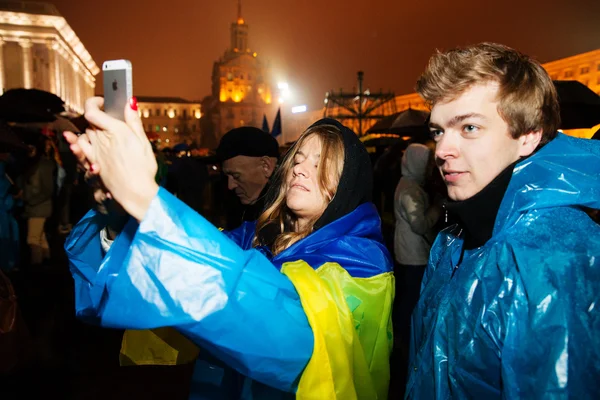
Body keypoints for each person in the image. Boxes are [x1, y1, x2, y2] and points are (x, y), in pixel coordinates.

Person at [63, 98, 394, 400]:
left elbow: (286, 336)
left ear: (348, 182)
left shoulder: (361, 261)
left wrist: (146, 200)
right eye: (299, 157)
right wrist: (116, 212)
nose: (299, 168)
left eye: (322, 162)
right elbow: (169, 264)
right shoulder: (259, 235)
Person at [405, 42, 600, 398]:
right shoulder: (451, 241)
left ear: (528, 136)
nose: (443, 150)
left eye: (469, 128)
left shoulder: (553, 259)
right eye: (437, 131)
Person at [391, 144, 440, 365]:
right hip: (414, 254)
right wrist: (438, 209)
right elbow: (419, 224)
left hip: (407, 250)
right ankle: (404, 344)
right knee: (411, 298)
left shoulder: (408, 184)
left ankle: (402, 341)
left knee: (407, 297)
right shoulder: (411, 189)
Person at [216, 126, 279, 224]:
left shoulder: (286, 219)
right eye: (226, 177)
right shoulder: (238, 208)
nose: (230, 186)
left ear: (266, 166)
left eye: (236, 176)